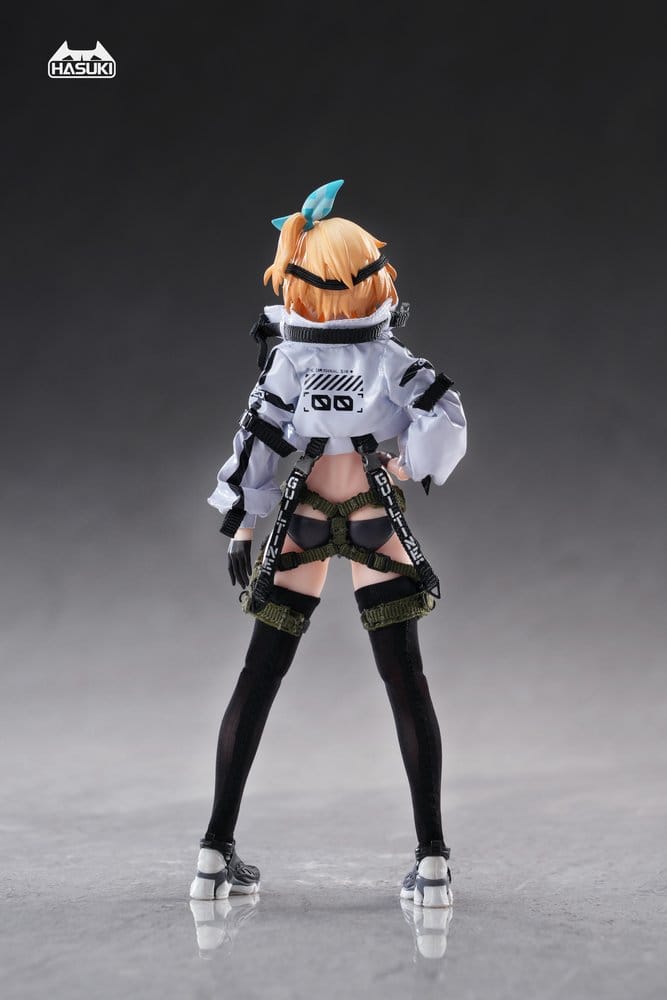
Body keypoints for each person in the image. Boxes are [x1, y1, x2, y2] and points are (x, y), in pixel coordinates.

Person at [190, 180, 466, 907]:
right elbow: (445, 411)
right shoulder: (389, 359)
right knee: (405, 680)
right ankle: (433, 862)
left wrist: (243, 520)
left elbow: (256, 438)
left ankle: (212, 855)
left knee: (258, 677)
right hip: (373, 513)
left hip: (302, 519)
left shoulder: (288, 361)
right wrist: (410, 464)